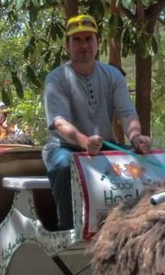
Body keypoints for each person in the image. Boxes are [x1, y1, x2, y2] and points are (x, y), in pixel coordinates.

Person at [42, 14, 151, 230]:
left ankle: (138, 227)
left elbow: (127, 113)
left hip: (103, 148)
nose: (84, 45)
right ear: (67, 45)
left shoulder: (113, 76)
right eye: (77, 40)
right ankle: (68, 231)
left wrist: (137, 138)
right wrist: (84, 142)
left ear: (98, 42)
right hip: (63, 147)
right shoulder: (56, 78)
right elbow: (60, 122)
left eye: (88, 39)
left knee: (143, 164)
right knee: (64, 167)